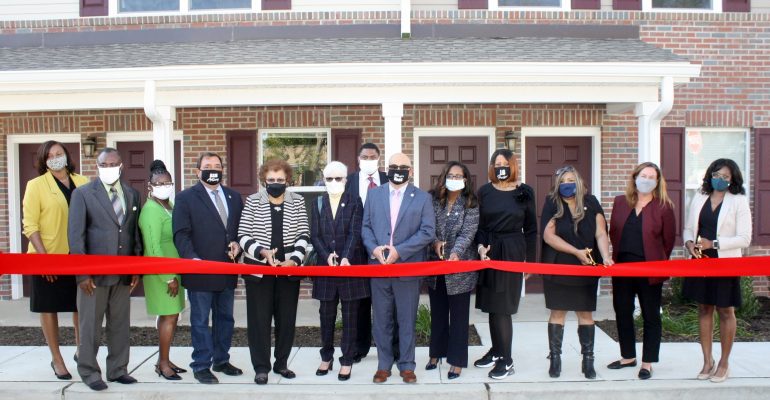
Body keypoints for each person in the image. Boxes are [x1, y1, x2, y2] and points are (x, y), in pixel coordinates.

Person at [67, 147, 142, 391]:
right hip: (94, 276)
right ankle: (89, 371)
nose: (108, 168)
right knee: (90, 326)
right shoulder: (83, 194)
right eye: (103, 164)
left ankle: (118, 369)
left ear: (121, 166)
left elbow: (134, 235)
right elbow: (76, 238)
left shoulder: (132, 194)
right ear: (97, 167)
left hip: (122, 274)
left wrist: (136, 267)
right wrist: (82, 273)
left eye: (113, 164)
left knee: (120, 324)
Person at [362, 152, 435, 384]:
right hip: (379, 267)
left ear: (411, 171)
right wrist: (374, 250)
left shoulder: (422, 198)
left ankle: (406, 365)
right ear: (387, 169)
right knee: (381, 319)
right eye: (393, 166)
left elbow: (427, 232)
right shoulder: (374, 195)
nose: (398, 170)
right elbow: (365, 228)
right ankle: (384, 365)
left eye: (403, 166)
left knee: (406, 319)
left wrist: (399, 251)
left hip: (407, 267)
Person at [173, 152, 244, 384]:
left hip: (227, 270)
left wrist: (237, 245)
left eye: (217, 165)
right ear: (197, 171)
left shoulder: (234, 196)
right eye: (207, 166)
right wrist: (192, 259)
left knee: (225, 319)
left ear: (223, 170)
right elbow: (181, 234)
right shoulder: (185, 198)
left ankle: (221, 360)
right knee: (201, 320)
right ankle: (201, 364)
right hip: (200, 271)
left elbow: (238, 231)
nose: (213, 169)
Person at [238, 159, 310, 385]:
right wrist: (262, 252)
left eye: (280, 180)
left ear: (287, 180)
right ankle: (261, 367)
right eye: (271, 180)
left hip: (288, 271)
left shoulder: (297, 201)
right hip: (259, 271)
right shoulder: (252, 201)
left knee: (286, 320)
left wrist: (294, 260)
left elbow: (303, 234)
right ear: (264, 180)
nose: (276, 183)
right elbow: (243, 234)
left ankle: (281, 364)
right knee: (259, 321)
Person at [22, 140, 88, 381]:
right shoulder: (36, 185)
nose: (55, 158)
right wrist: (45, 260)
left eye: (59, 153)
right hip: (46, 255)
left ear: (66, 155)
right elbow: (30, 225)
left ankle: (82, 352)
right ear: (44, 160)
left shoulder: (83, 182)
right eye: (50, 155)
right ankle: (57, 358)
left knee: (79, 305)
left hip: (77, 256)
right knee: (48, 307)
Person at [540, 166, 613, 380]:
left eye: (571, 179)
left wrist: (606, 256)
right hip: (558, 267)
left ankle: (588, 361)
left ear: (579, 182)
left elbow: (601, 233)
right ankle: (555, 360)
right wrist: (575, 252)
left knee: (585, 314)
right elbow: (548, 236)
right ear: (557, 184)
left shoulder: (591, 203)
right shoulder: (552, 203)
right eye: (563, 181)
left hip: (586, 268)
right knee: (557, 313)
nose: (567, 184)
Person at [683, 158, 751, 383]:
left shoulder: (739, 202)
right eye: (716, 175)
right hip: (700, 260)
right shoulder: (699, 197)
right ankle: (707, 361)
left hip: (725, 261)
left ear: (732, 181)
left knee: (725, 310)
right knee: (704, 308)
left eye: (725, 177)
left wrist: (716, 244)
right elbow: (689, 229)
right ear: (709, 174)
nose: (719, 179)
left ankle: (723, 363)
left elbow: (745, 238)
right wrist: (689, 243)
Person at [608, 162, 676, 380]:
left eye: (651, 177)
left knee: (650, 315)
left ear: (657, 182)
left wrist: (655, 260)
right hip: (623, 267)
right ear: (635, 177)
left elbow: (668, 241)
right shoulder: (620, 202)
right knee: (623, 311)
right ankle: (628, 356)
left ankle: (647, 362)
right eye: (643, 175)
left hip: (650, 269)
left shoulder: (664, 206)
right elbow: (613, 232)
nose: (646, 180)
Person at [473, 148, 537, 380]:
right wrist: (480, 248)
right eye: (496, 163)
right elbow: (479, 226)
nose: (501, 167)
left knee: (503, 307)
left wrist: (530, 261)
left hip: (512, 249)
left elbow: (531, 229)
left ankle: (507, 360)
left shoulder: (525, 191)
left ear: (512, 165)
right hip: (489, 249)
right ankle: (497, 350)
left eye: (505, 163)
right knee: (491, 304)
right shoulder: (485, 192)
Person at [310, 161, 368, 381]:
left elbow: (355, 231)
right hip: (326, 269)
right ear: (324, 180)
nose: (334, 183)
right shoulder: (317, 203)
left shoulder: (355, 201)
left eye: (338, 178)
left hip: (349, 267)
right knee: (326, 315)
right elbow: (314, 235)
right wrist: (327, 255)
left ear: (346, 180)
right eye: (329, 179)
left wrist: (344, 256)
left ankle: (347, 360)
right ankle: (326, 356)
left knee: (350, 317)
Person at [425, 161, 479, 380]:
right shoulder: (433, 201)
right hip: (436, 266)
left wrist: (455, 253)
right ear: (444, 177)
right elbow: (426, 227)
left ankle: (456, 360)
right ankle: (436, 353)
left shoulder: (471, 203)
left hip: (460, 268)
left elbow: (468, 234)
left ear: (465, 180)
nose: (454, 179)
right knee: (437, 313)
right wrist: (434, 242)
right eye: (451, 175)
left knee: (458, 316)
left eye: (459, 176)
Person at [138, 160, 186, 380]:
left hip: (173, 269)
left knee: (172, 316)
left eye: (168, 182)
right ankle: (163, 363)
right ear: (151, 186)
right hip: (161, 272)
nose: (164, 185)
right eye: (159, 183)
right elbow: (153, 247)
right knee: (168, 316)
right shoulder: (150, 210)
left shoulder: (169, 205)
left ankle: (163, 359)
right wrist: (168, 277)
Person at [344, 142, 390, 363]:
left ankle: (392, 348)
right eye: (365, 156)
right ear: (358, 159)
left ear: (379, 158)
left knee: (386, 300)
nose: (369, 159)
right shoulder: (348, 182)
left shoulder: (389, 180)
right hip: (355, 250)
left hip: (383, 249)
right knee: (359, 301)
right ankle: (359, 348)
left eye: (373, 156)